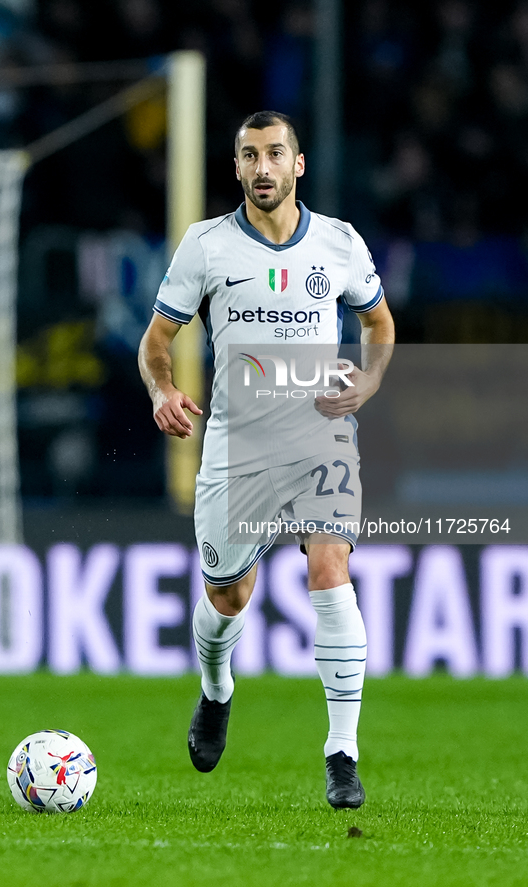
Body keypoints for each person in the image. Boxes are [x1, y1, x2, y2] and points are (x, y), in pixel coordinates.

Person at [138, 111, 395, 809]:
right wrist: (162, 387)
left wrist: (366, 381)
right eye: (249, 155)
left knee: (328, 564)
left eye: (274, 153)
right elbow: (156, 338)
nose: (261, 166)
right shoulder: (206, 247)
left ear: (297, 165)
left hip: (320, 435)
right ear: (236, 168)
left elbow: (377, 322)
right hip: (235, 444)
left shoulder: (338, 244)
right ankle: (216, 688)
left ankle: (341, 752)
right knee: (229, 595)